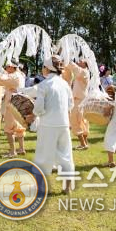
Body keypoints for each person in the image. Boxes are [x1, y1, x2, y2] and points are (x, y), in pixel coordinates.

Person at [32, 55, 75, 194]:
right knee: (65, 155)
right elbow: (70, 104)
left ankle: (42, 187)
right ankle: (67, 187)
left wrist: (34, 114)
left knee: (43, 155)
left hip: (48, 124)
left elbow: (38, 108)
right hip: (63, 124)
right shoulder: (65, 84)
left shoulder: (44, 85)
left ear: (47, 68)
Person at [0, 59, 26, 158]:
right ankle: (21, 148)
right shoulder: (20, 74)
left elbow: (1, 80)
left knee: (9, 127)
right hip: (18, 102)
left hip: (12, 103)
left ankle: (12, 151)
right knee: (18, 126)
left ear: (11, 67)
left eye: (7, 66)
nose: (6, 68)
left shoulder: (14, 76)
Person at [67, 60, 90, 149]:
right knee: (82, 121)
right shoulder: (83, 72)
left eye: (81, 61)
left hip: (79, 100)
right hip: (80, 99)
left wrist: (66, 58)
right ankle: (84, 143)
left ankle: (83, 143)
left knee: (75, 120)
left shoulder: (83, 72)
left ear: (85, 64)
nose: (78, 61)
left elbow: (74, 68)